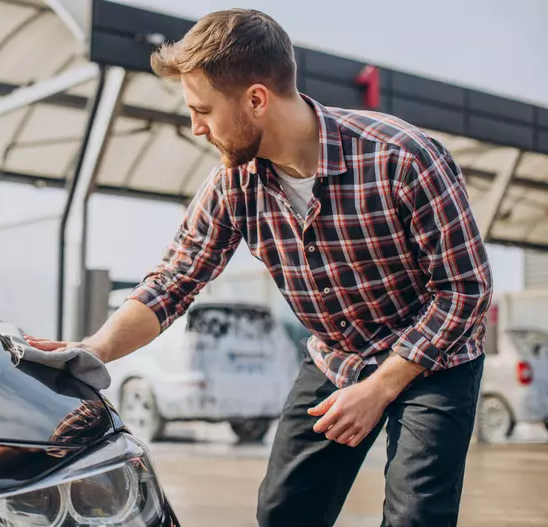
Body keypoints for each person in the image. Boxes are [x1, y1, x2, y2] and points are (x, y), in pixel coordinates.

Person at [25, 8, 492, 527]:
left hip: (433, 359)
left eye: (202, 109)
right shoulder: (233, 183)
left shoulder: (402, 158)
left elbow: (464, 292)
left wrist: (380, 388)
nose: (196, 127)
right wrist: (94, 348)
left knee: (416, 517)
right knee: (283, 513)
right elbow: (174, 280)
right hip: (337, 355)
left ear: (255, 99)